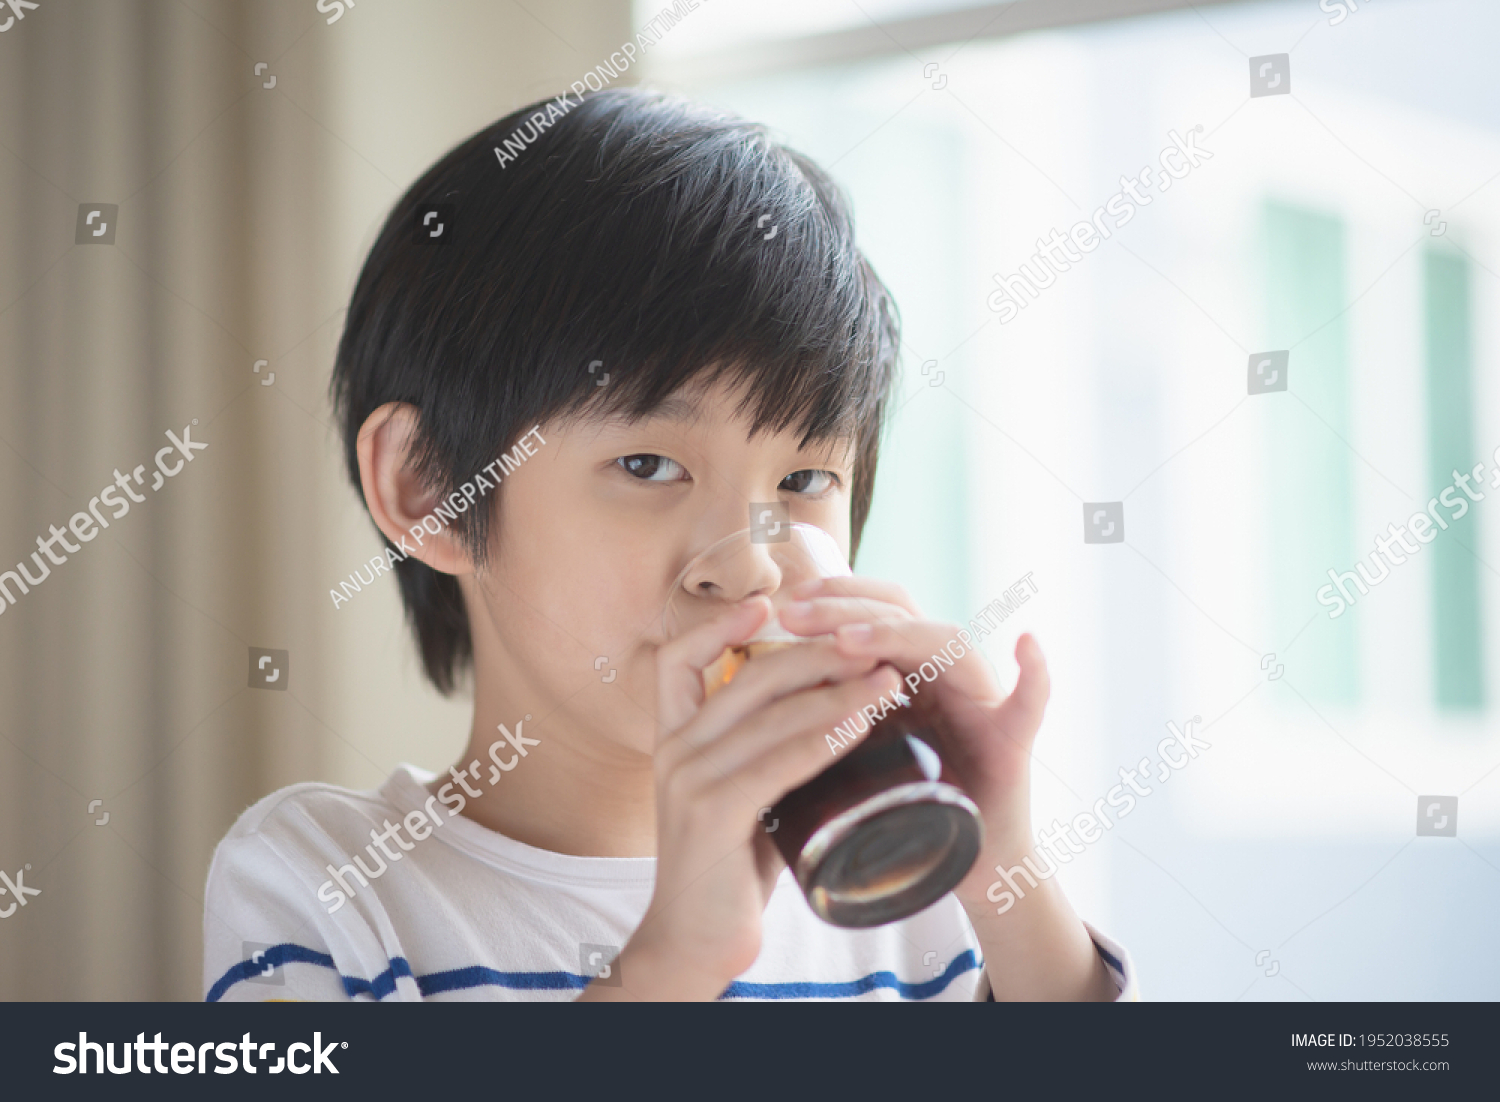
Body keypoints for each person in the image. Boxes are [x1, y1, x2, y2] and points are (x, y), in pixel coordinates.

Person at [202, 87, 1135, 1002]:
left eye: (804, 481)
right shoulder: (324, 884)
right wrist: (673, 963)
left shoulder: (898, 887)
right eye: (649, 465)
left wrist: (1004, 870)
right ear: (433, 489)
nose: (752, 563)